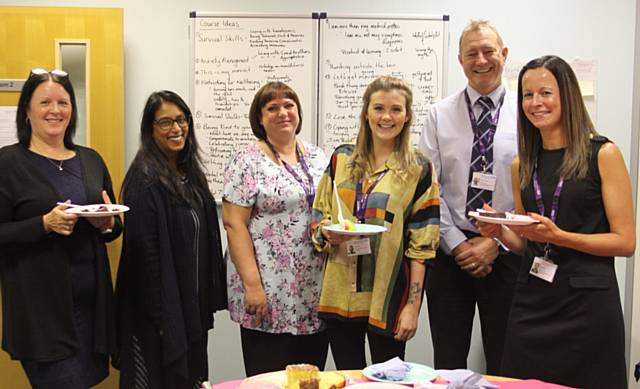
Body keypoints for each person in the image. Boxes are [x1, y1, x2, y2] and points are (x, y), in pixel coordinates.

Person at [477, 55, 633, 389]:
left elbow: (625, 242)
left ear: (567, 96)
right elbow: (528, 242)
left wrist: (561, 237)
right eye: (527, 95)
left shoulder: (603, 154)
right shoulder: (523, 164)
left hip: (587, 305)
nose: (535, 103)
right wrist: (500, 231)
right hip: (532, 302)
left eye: (545, 93)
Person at [0, 68, 121, 388]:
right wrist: (43, 224)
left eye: (63, 102)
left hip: (91, 308)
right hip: (41, 313)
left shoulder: (91, 159)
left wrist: (107, 223)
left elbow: (113, 224)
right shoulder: (7, 163)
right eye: (44, 102)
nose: (55, 110)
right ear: (26, 109)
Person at [311, 75, 440, 369]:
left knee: (389, 381)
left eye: (396, 109)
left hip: (388, 295)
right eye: (379, 108)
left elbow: (423, 244)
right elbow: (318, 218)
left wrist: (412, 307)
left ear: (407, 117)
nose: (386, 117)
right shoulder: (340, 159)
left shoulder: (419, 169)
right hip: (339, 292)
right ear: (366, 113)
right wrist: (326, 234)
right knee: (350, 378)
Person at [418, 20, 520, 374]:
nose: (481, 60)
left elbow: (533, 188)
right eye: (472, 53)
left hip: (507, 255)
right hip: (450, 257)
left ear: (503, 55)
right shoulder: (439, 114)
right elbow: (428, 189)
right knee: (448, 361)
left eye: (489, 51)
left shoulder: (528, 113)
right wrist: (458, 245)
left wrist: (499, 242)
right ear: (460, 60)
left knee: (506, 358)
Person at [115, 91, 227, 388]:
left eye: (181, 120)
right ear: (150, 130)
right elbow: (145, 256)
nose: (176, 129)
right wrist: (163, 318)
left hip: (189, 309)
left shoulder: (189, 173)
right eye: (165, 122)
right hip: (158, 316)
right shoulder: (144, 179)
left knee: (191, 379)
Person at [222, 82, 329, 376]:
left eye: (289, 105)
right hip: (268, 290)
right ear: (259, 117)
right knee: (268, 378)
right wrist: (253, 287)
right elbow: (234, 223)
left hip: (314, 290)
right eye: (272, 107)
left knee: (309, 377)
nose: (283, 113)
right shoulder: (246, 161)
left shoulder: (318, 157)